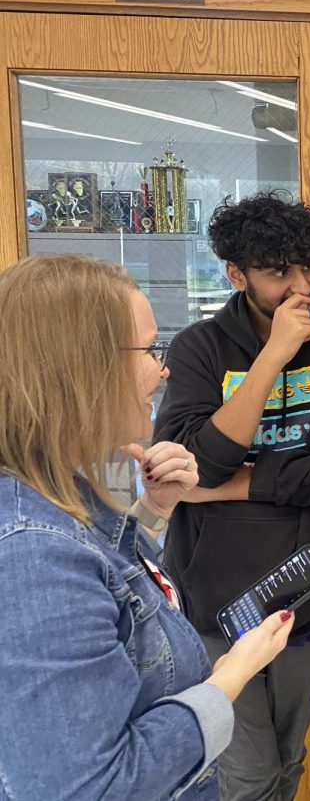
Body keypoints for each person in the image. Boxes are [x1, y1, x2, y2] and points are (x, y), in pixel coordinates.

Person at [0, 254, 292, 800]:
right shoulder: (32, 557)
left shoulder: (57, 498)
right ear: (81, 366)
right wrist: (229, 678)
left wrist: (154, 509)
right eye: (149, 350)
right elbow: (93, 788)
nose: (164, 369)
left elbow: (108, 595)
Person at [153, 192, 310, 800]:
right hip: (213, 601)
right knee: (248, 770)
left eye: (309, 265)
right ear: (236, 275)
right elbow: (196, 464)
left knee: (287, 760)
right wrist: (274, 356)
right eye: (278, 271)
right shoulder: (200, 349)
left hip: (306, 594)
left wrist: (232, 487)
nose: (301, 286)